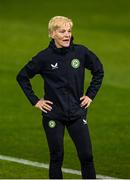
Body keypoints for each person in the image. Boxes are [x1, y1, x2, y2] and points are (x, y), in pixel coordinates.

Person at [16, 16, 104, 179]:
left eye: (69, 31)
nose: (67, 35)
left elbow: (98, 70)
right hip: (53, 116)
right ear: (52, 34)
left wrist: (90, 95)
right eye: (62, 31)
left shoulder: (81, 52)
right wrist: (35, 101)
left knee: (87, 156)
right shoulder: (44, 58)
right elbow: (22, 76)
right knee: (56, 157)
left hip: (77, 113)